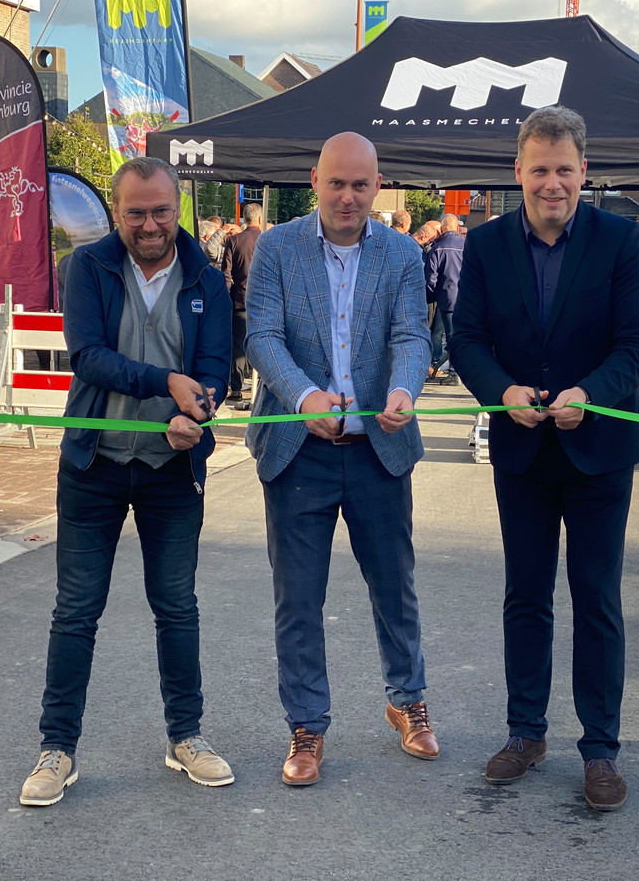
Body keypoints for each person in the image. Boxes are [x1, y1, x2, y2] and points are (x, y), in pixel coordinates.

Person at [449, 105, 639, 812]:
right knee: (526, 597)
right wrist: (500, 390)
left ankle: (600, 748)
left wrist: (590, 394)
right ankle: (525, 732)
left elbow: (637, 346)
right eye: (539, 169)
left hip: (598, 449)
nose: (552, 182)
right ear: (518, 171)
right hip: (522, 448)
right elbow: (467, 340)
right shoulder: (484, 246)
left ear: (583, 172)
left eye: (564, 169)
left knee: (597, 599)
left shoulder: (621, 241)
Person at [20, 156, 234, 807]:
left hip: (171, 470)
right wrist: (161, 383)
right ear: (117, 212)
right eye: (136, 212)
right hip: (94, 465)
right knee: (76, 611)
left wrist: (195, 411)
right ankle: (56, 750)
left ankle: (186, 737)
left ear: (179, 210)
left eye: (161, 211)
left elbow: (215, 370)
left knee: (177, 608)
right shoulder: (86, 267)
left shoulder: (206, 277)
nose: (149, 224)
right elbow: (87, 356)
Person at [244, 131, 437, 788]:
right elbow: (262, 335)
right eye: (337, 183)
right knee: (298, 599)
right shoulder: (276, 247)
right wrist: (301, 395)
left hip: (378, 448)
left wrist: (405, 387)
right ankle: (307, 727)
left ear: (377, 185)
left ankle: (407, 700)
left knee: (395, 588)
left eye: (361, 184)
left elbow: (412, 334)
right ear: (314, 180)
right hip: (299, 454)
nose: (348, 196)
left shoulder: (404, 254)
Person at [222, 202, 263, 402]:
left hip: (239, 300)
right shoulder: (265, 240)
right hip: (263, 302)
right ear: (260, 219)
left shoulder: (234, 241)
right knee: (264, 342)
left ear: (243, 220)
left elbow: (226, 274)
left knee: (238, 345)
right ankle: (262, 385)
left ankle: (236, 388)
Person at [425, 212, 465, 379]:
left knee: (448, 335)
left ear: (441, 229)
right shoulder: (467, 245)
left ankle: (453, 373)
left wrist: (430, 297)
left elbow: (431, 278)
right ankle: (461, 371)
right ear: (456, 228)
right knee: (463, 336)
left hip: (446, 299)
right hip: (466, 299)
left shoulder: (437, 248)